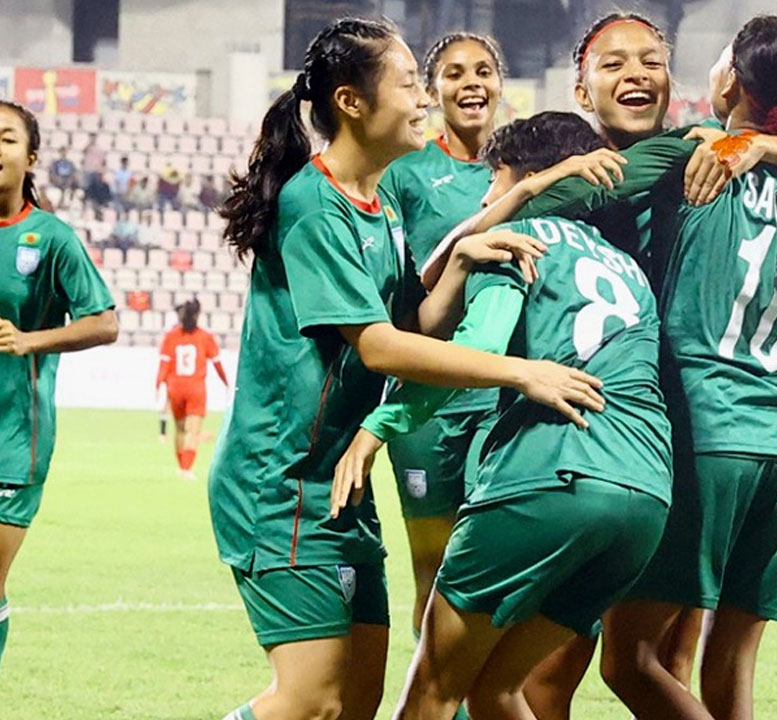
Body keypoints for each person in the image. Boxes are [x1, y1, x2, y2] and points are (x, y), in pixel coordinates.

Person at [422, 13, 777, 719]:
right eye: (614, 63)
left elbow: (501, 230)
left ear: (722, 79)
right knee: (627, 667)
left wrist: (504, 211)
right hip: (730, 442)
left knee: (603, 666)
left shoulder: (689, 156)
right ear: (581, 90)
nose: (636, 74)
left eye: (651, 60)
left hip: (669, 440)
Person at [208, 18, 603, 720]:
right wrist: (520, 373)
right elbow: (379, 346)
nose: (424, 100)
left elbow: (415, 320)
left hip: (339, 482)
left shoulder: (381, 200)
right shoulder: (313, 203)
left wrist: (462, 259)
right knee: (313, 702)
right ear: (352, 102)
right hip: (282, 481)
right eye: (410, 84)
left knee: (358, 703)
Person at [334, 110, 672, 720]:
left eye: (494, 180)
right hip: (645, 498)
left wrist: (377, 428)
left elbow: (479, 351)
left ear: (526, 176)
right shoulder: (628, 268)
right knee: (496, 690)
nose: (487, 198)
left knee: (433, 692)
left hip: (552, 477)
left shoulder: (516, 243)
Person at [377, 31, 509, 656]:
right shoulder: (406, 173)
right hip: (424, 401)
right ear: (433, 92)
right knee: (431, 572)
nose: (471, 83)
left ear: (500, 85)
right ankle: (438, 698)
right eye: (454, 74)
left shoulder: (523, 170)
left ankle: (486, 693)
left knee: (494, 568)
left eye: (483, 70)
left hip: (501, 396)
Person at [0, 100, 118, 672]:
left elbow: (104, 322)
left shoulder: (49, 238)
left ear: (31, 157)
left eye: (6, 138)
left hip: (12, 438)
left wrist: (31, 339)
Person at [156, 299, 227, 479]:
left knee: (179, 429)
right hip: (195, 388)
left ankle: (181, 466)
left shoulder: (171, 336)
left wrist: (158, 384)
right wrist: (226, 382)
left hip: (175, 387)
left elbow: (164, 364)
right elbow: (217, 363)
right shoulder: (205, 336)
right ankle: (186, 469)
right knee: (192, 431)